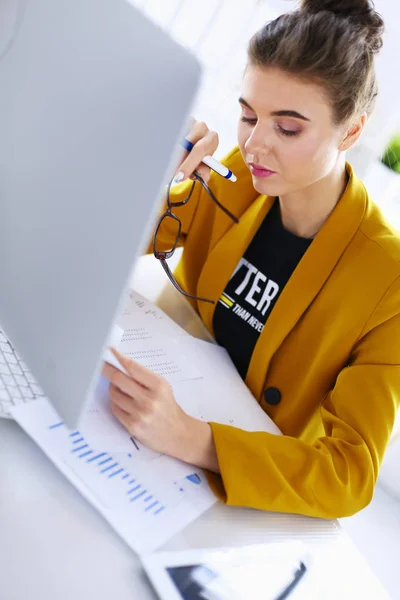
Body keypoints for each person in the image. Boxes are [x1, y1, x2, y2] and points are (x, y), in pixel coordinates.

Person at [102, 0, 400, 519]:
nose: (255, 144)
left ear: (351, 132)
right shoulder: (238, 173)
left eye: (287, 129)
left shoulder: (387, 279)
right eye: (247, 115)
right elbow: (112, 238)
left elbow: (349, 475)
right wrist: (150, 175)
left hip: (236, 483)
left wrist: (195, 440)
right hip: (140, 420)